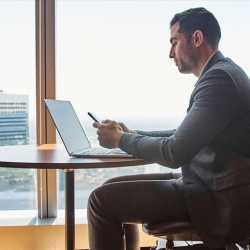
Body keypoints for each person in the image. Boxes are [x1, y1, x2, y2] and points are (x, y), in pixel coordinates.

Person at [87, 7, 250, 250]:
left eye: (174, 42)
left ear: (196, 38)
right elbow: (182, 134)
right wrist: (133, 135)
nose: (170, 53)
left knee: (100, 201)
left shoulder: (220, 80)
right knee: (109, 186)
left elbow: (174, 153)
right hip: (208, 181)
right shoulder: (221, 74)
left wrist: (120, 140)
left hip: (218, 196)